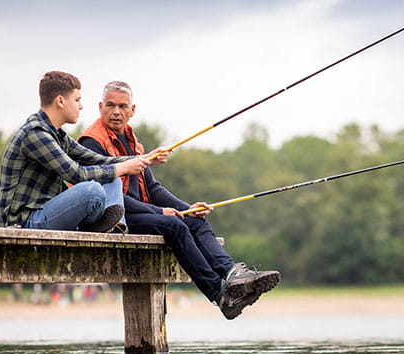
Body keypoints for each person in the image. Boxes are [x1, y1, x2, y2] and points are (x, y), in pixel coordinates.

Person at [79, 80, 279, 320]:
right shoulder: (92, 141)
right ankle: (219, 294)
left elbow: (152, 188)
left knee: (195, 221)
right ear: (100, 106)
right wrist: (159, 212)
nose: (116, 112)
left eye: (122, 106)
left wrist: (187, 209)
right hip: (114, 218)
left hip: (141, 212)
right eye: (110, 105)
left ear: (132, 110)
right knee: (174, 226)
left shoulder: (133, 141)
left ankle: (232, 273)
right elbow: (108, 197)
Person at [0, 71, 168, 233]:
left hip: (46, 214)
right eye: (77, 100)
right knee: (92, 190)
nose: (81, 106)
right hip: (24, 223)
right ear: (60, 101)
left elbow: (97, 159)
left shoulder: (57, 135)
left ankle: (116, 229)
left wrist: (145, 159)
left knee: (112, 178)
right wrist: (124, 168)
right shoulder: (35, 134)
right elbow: (76, 174)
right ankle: (104, 229)